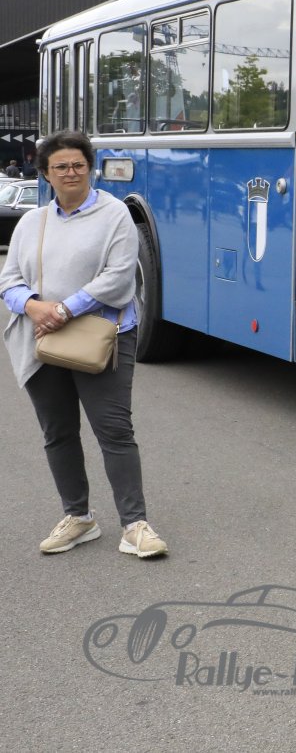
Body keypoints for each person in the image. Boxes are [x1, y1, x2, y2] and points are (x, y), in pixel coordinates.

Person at [0, 130, 169, 558]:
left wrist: (62, 310)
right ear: (45, 173)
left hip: (102, 338)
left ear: (90, 168)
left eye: (78, 164)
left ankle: (135, 525)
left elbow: (118, 278)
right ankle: (78, 518)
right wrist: (33, 306)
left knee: (115, 431)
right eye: (61, 166)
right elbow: (9, 280)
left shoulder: (115, 215)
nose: (71, 172)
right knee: (58, 433)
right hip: (41, 340)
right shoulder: (32, 223)